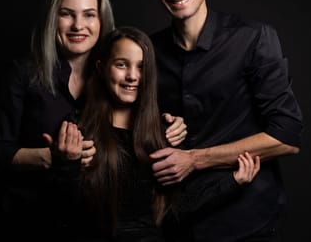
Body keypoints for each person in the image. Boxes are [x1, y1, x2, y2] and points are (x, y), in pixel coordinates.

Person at [0, 0, 187, 234]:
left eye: (89, 14)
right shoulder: (23, 75)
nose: (79, 25)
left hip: (93, 226)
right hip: (29, 221)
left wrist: (169, 124)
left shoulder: (113, 77)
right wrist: (48, 158)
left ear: (102, 21)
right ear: (52, 19)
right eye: (67, 14)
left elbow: (137, 124)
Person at [146, 0, 304, 241]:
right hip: (177, 224)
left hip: (246, 223)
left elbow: (287, 136)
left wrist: (194, 158)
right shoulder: (149, 52)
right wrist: (160, 127)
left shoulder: (253, 39)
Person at [52, 26, 260, 241]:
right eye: (121, 64)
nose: (133, 76)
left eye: (141, 67)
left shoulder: (163, 133)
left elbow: (172, 214)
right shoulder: (77, 131)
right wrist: (67, 165)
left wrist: (231, 183)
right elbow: (65, 216)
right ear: (101, 67)